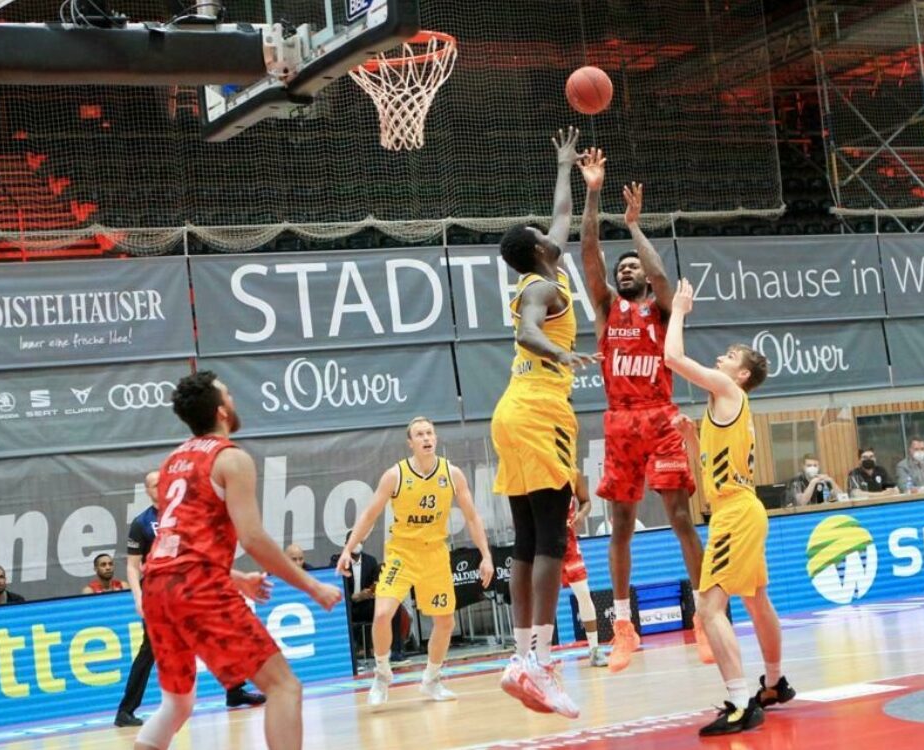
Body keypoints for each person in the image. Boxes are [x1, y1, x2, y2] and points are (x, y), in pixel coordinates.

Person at [133, 371, 342, 750]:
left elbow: (177, 546)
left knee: (177, 704)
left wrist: (233, 577)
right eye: (229, 394)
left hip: (158, 587)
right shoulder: (231, 459)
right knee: (284, 687)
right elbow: (254, 539)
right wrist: (312, 585)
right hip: (197, 588)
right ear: (222, 411)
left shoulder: (171, 462)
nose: (233, 398)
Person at [578, 165, 708, 671]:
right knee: (622, 527)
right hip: (621, 421)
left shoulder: (660, 311)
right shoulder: (606, 308)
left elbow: (661, 277)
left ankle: (702, 618)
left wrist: (633, 227)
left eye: (632, 266)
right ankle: (624, 627)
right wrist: (593, 196)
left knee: (679, 518)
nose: (626, 269)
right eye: (622, 267)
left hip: (660, 415)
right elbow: (589, 254)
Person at [490, 127, 599, 720]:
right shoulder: (542, 290)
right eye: (540, 234)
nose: (546, 230)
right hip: (537, 408)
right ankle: (539, 660)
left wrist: (564, 166)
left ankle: (521, 658)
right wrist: (559, 354)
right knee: (554, 540)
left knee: (528, 541)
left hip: (513, 410)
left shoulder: (541, 270)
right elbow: (528, 330)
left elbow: (559, 215)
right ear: (537, 250)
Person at [664, 278, 794, 736]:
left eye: (730, 358)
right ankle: (773, 684)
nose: (721, 359)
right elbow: (711, 482)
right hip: (739, 507)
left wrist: (678, 310)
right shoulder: (724, 411)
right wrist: (693, 440)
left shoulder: (727, 390)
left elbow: (673, 359)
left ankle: (741, 702)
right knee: (757, 600)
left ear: (740, 375)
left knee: (708, 607)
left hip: (737, 514)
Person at [335, 416, 494, 707]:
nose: (426, 437)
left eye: (429, 432)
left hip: (434, 554)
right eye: (419, 434)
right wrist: (348, 548)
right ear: (410, 442)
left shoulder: (452, 473)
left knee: (445, 622)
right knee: (382, 614)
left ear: (436, 438)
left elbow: (472, 517)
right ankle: (382, 673)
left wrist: (486, 556)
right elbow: (369, 515)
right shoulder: (395, 475)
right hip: (401, 553)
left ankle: (432, 679)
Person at [115, 471, 268, 729]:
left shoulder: (182, 515)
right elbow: (132, 566)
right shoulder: (142, 523)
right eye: (153, 485)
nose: (158, 487)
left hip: (190, 590)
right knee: (149, 652)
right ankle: (125, 711)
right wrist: (138, 598)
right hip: (158, 595)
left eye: (161, 482)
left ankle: (234, 691)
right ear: (148, 490)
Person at [563, 471, 608, 668]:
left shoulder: (573, 473)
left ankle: (595, 649)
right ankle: (536, 655)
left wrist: (580, 514)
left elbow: (586, 501)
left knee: (583, 593)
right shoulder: (537, 469)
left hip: (568, 541)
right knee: (540, 596)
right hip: (544, 540)